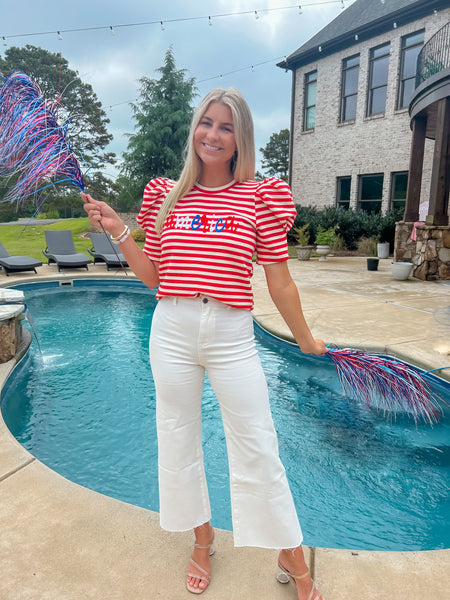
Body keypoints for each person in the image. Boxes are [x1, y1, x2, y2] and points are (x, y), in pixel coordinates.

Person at [83, 87, 325, 600]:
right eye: (206, 123)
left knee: (258, 443)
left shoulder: (261, 197)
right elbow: (154, 277)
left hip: (232, 333)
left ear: (240, 140)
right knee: (176, 437)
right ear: (196, 128)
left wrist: (305, 338)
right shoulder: (165, 196)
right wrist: (118, 231)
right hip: (170, 327)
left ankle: (289, 550)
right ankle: (201, 538)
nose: (212, 135)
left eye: (226, 127)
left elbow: (279, 282)